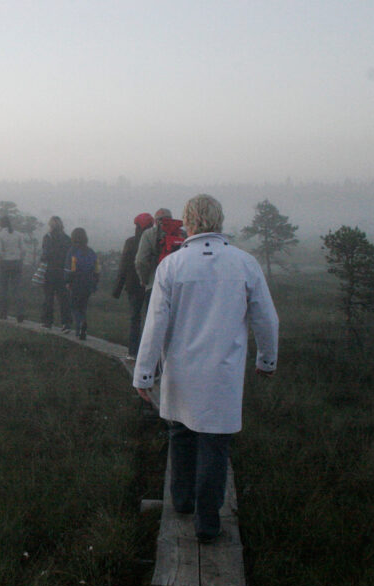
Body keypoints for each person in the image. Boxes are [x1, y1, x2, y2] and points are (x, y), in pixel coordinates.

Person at [133, 194, 278, 543]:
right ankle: (208, 523)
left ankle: (181, 503)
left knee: (181, 433)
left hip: (181, 372)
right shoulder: (244, 263)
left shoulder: (172, 266)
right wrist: (266, 360)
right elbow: (266, 319)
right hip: (222, 376)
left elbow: (154, 325)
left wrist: (144, 373)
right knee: (214, 443)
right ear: (220, 220)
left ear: (188, 222)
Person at [112, 213, 155, 359]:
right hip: (151, 286)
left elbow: (123, 266)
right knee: (151, 320)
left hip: (133, 286)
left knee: (135, 318)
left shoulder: (130, 242)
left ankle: (133, 352)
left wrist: (117, 289)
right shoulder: (156, 242)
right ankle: (148, 353)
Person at [65, 227, 100, 340]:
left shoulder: (72, 251)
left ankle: (79, 326)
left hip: (76, 282)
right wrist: (95, 283)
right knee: (83, 306)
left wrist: (67, 281)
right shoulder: (91, 251)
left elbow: (69, 269)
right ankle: (83, 323)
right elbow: (97, 269)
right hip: (89, 282)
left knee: (74, 306)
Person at [39, 216, 73, 331]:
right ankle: (66, 323)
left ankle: (47, 322)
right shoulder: (67, 239)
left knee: (48, 297)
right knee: (64, 298)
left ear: (51, 226)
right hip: (63, 271)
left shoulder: (47, 238)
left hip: (50, 271)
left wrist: (43, 258)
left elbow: (45, 255)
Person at [134, 208, 179, 290]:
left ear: (155, 221)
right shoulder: (182, 234)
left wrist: (144, 280)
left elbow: (140, 261)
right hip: (178, 286)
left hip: (154, 284)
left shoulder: (148, 234)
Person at [0, 215, 26, 322]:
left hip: (5, 263)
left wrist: (0, 261)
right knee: (16, 289)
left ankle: (3, 313)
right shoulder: (18, 234)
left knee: (4, 289)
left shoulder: (0, 235)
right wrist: (20, 260)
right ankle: (20, 313)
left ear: (1, 224)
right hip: (16, 262)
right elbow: (23, 250)